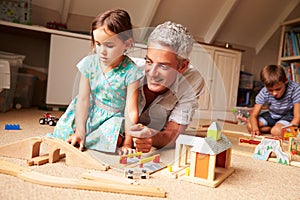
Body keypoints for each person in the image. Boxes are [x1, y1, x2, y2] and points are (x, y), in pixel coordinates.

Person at [47, 9, 143, 153]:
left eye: (109, 46)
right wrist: (79, 132)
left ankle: (101, 139)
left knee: (114, 139)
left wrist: (128, 143)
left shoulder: (131, 72)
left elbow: (131, 110)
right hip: (88, 111)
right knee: (62, 132)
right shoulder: (89, 64)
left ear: (127, 44)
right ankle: (83, 137)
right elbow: (83, 100)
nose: (102, 51)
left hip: (112, 118)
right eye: (98, 44)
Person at [124, 21, 205, 153]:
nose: (152, 73)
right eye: (149, 62)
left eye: (163, 66)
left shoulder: (193, 81)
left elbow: (174, 134)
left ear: (182, 66)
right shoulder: (128, 70)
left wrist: (152, 137)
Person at [247, 64, 300, 137]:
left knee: (276, 132)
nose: (274, 93)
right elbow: (254, 115)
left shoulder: (295, 89)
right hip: (272, 115)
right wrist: (255, 129)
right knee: (250, 126)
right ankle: (271, 129)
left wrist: (290, 130)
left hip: (288, 116)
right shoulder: (264, 91)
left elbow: (297, 117)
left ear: (286, 81)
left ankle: (274, 129)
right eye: (270, 90)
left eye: (278, 89)